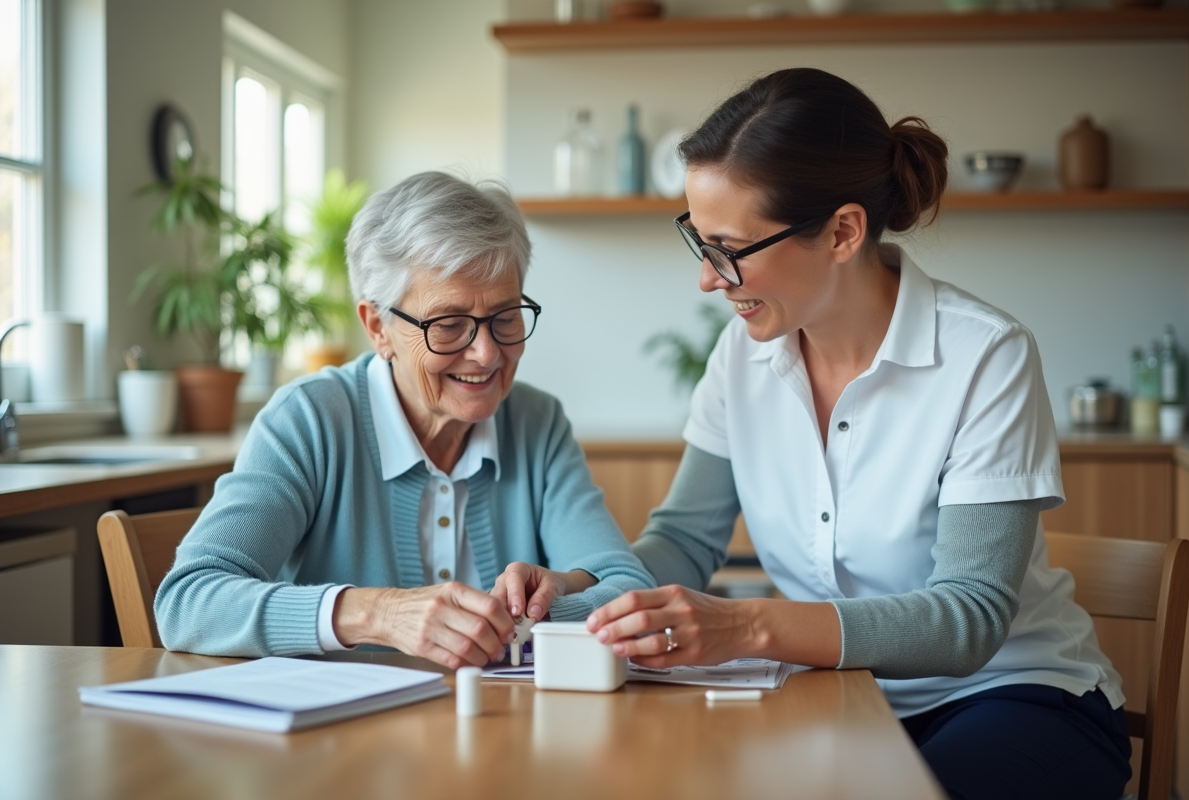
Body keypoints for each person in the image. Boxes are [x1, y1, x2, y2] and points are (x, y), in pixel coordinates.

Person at [585, 68, 1131, 800]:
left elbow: (968, 619)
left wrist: (748, 626)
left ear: (843, 231)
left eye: (730, 248)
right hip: (834, 696)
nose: (709, 280)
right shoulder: (741, 357)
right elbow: (682, 541)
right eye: (699, 242)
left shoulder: (985, 356)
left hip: (1012, 698)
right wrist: (575, 594)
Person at [156, 171, 654, 669]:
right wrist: (378, 613)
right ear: (378, 327)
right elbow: (188, 601)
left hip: (497, 717)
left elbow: (628, 584)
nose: (486, 354)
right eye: (449, 324)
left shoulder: (536, 422)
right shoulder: (308, 421)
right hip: (343, 720)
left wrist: (542, 607)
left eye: (505, 317)